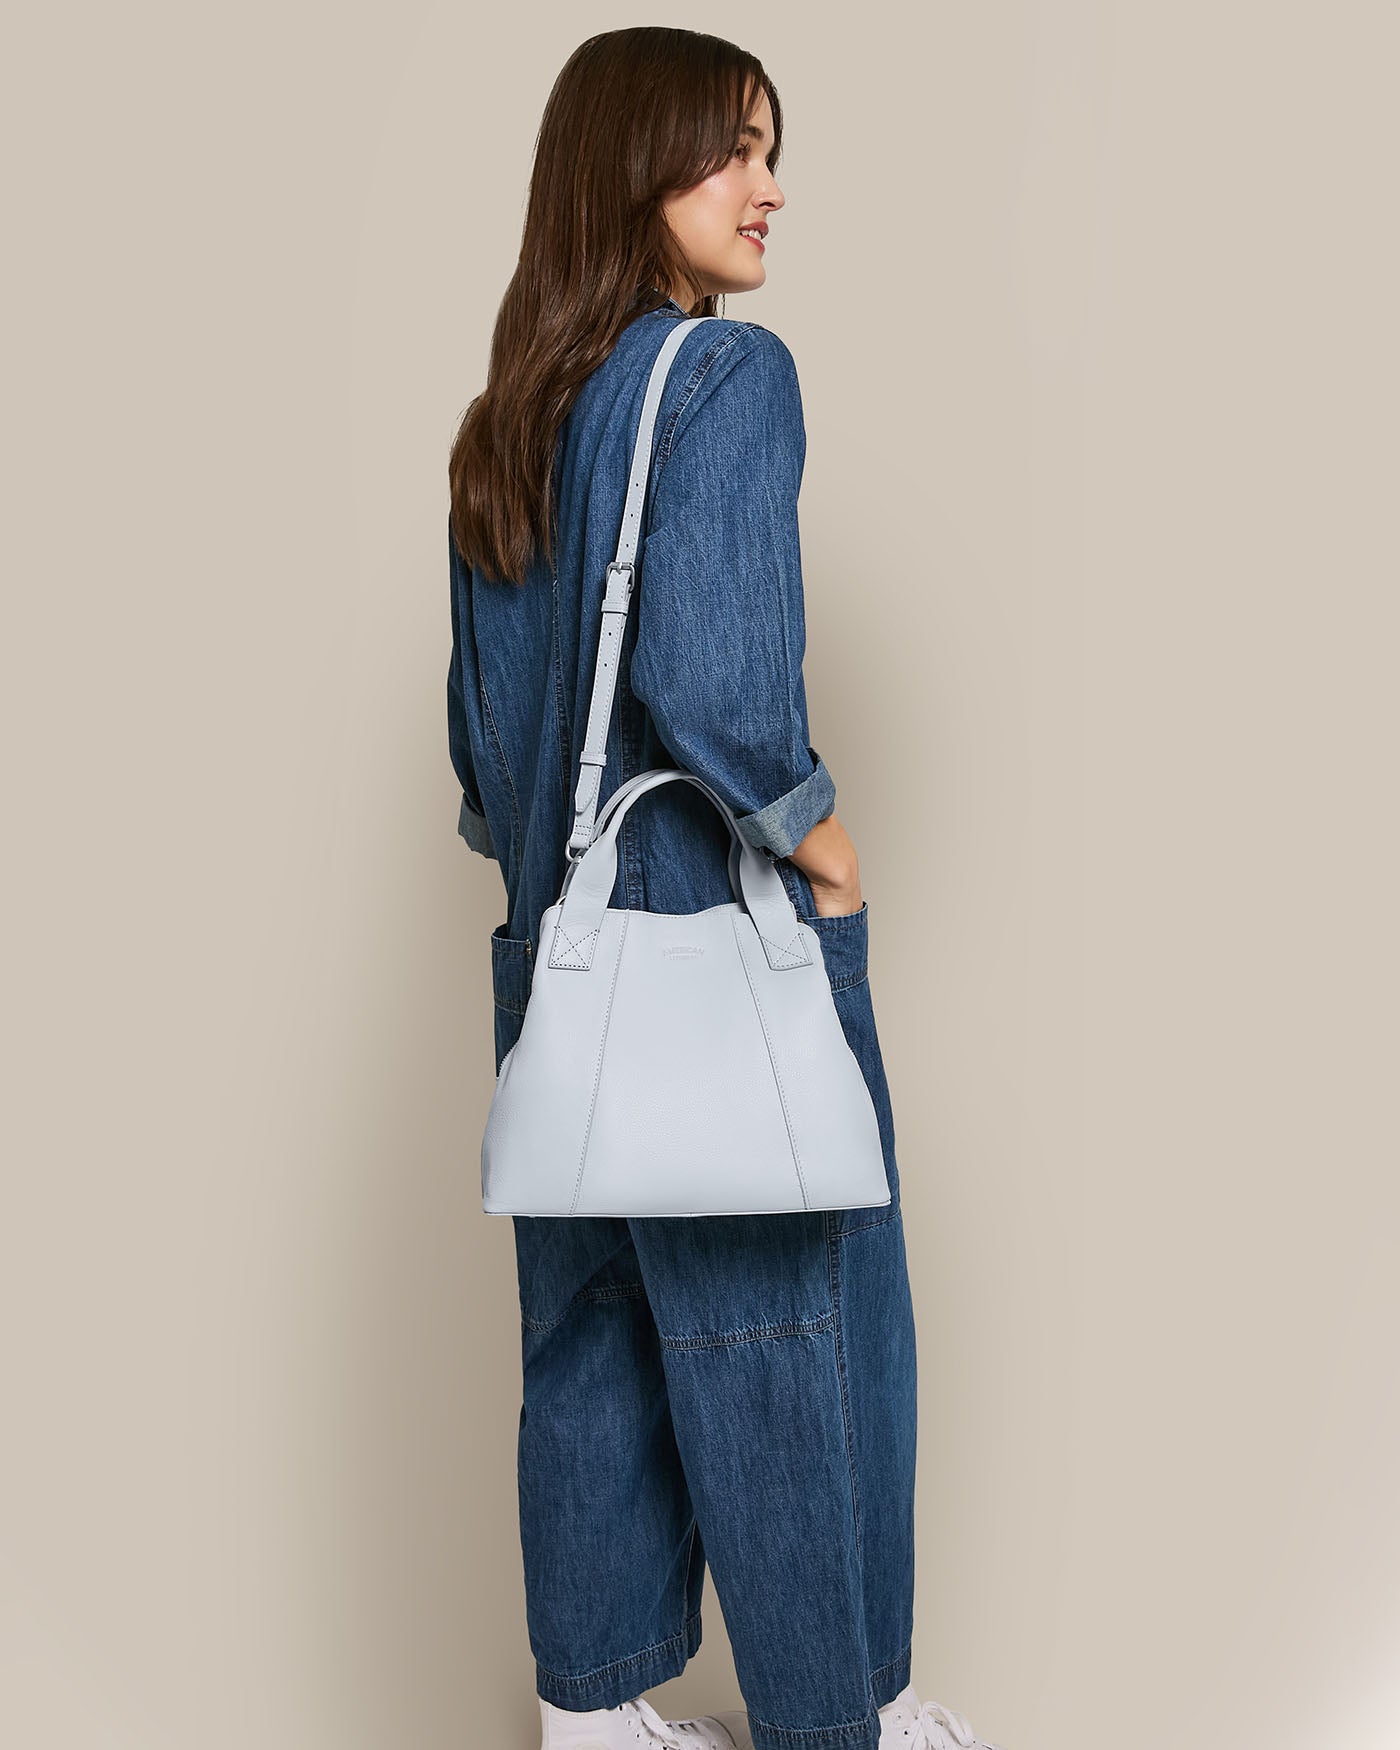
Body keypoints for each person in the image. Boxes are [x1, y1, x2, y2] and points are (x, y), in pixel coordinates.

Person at [446, 27, 1005, 1750]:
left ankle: (598, 1722)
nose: (770, 187)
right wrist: (821, 840)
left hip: (564, 966)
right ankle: (842, 1721)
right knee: (791, 1346)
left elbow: (485, 767)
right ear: (633, 171)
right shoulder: (723, 378)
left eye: (774, 149)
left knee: (593, 1346)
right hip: (713, 949)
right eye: (729, 151)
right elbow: (724, 691)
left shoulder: (508, 425)